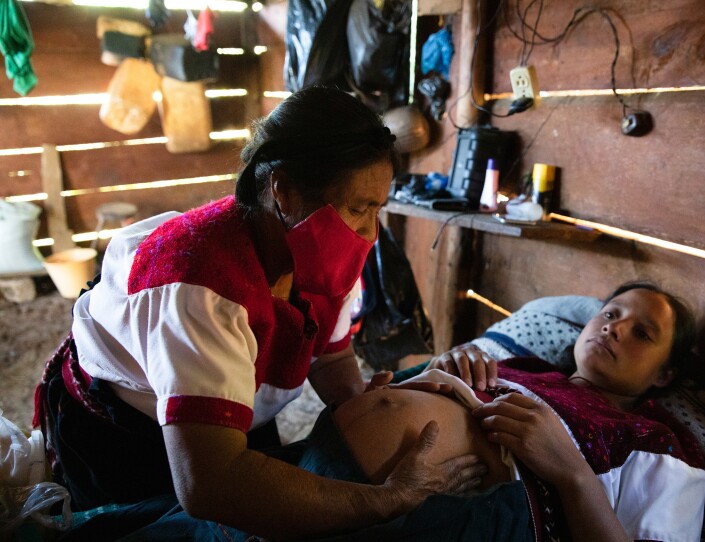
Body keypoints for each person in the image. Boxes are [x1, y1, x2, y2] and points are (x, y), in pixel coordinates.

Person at [32, 86, 485, 541]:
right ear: (283, 191)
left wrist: (360, 400)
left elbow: (328, 355)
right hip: (126, 436)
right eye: (356, 209)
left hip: (233, 415)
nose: (369, 233)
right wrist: (388, 500)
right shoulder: (203, 286)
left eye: (376, 210)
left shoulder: (319, 260)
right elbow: (210, 482)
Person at [327, 281, 705, 541]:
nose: (613, 329)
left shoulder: (658, 444)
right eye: (610, 314)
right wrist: (441, 368)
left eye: (642, 333)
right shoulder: (524, 367)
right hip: (330, 464)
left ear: (664, 374)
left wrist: (573, 474)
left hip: (442, 516)